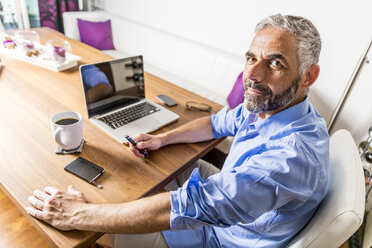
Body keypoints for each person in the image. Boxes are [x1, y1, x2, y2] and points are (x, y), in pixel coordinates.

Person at [26, 14, 330, 248]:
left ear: (308, 76)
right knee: (148, 167)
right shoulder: (275, 107)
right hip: (236, 194)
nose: (251, 74)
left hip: (220, 238)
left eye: (275, 63)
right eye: (251, 58)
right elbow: (216, 123)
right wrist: (162, 138)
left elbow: (194, 206)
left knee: (94, 228)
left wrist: (77, 214)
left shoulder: (289, 159)